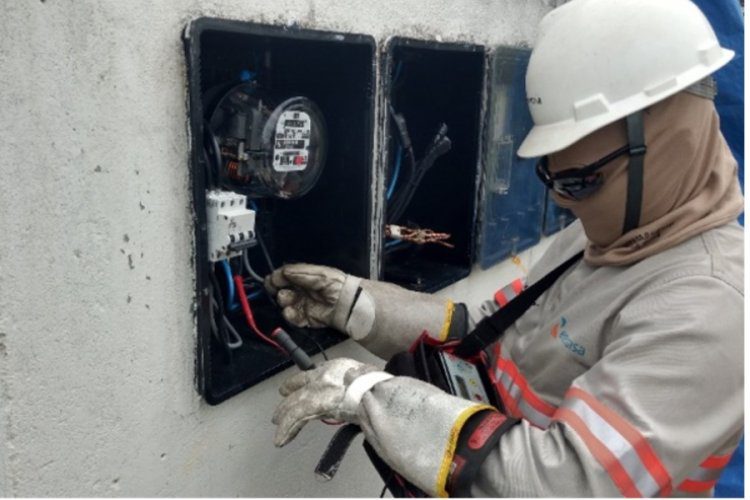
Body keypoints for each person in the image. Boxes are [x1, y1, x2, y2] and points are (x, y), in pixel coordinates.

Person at [265, 0, 744, 496]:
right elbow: (486, 332)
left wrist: (371, 396)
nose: (563, 203)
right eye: (551, 178)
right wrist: (360, 306)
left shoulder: (711, 309)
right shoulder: (613, 232)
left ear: (669, 144)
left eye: (579, 182)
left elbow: (560, 484)